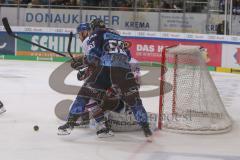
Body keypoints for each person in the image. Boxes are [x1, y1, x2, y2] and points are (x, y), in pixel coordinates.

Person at [85, 18, 152, 139]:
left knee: (90, 99)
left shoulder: (105, 56)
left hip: (119, 98)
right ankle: (139, 122)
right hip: (127, 96)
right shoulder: (128, 57)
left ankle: (103, 125)